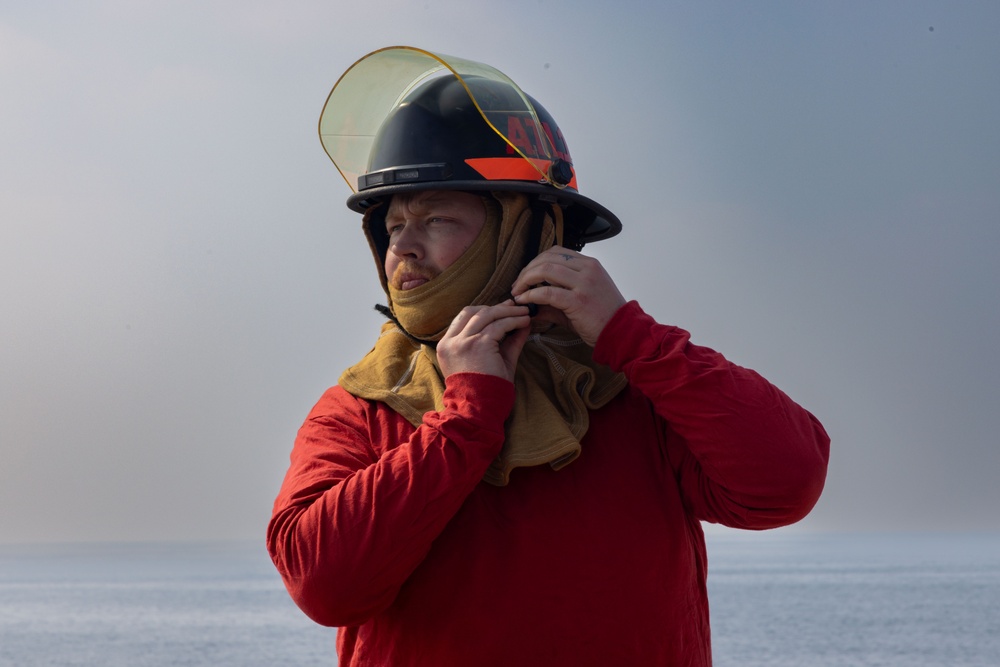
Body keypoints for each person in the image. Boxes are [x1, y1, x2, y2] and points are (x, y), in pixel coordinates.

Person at [267, 46, 830, 666]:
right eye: (393, 225)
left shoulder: (632, 384)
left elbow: (786, 483)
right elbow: (324, 586)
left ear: (529, 231)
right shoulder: (362, 404)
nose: (405, 246)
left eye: (436, 219)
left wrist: (631, 336)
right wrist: (466, 417)